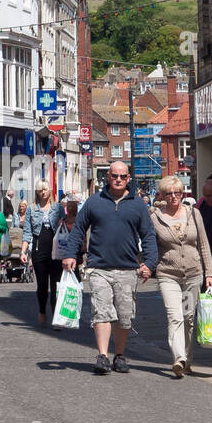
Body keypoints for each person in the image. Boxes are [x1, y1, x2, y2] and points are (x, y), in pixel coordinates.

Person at [58, 161, 158, 375]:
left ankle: (119, 355)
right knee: (101, 311)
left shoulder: (138, 204)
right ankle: (102, 355)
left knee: (124, 315)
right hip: (99, 267)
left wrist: (149, 263)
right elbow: (78, 230)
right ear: (108, 177)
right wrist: (69, 254)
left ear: (128, 178)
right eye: (114, 176)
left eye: (122, 176)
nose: (118, 180)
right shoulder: (95, 201)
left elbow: (148, 235)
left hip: (128, 268)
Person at [151, 175, 212, 378]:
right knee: (175, 316)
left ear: (182, 193)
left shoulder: (193, 214)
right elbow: (149, 247)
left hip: (193, 276)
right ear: (162, 195)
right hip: (167, 274)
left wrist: (210, 274)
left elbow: (204, 245)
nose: (173, 197)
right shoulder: (155, 218)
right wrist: (145, 265)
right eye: (169, 193)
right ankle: (178, 358)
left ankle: (187, 359)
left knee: (189, 318)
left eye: (177, 193)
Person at [21, 182, 64, 325]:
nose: (43, 192)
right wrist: (23, 251)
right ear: (37, 192)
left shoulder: (57, 207)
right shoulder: (31, 209)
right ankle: (42, 310)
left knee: (56, 285)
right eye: (40, 190)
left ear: (50, 190)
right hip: (39, 249)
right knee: (42, 285)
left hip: (56, 249)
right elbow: (27, 232)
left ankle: (56, 317)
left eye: (45, 189)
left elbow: (65, 228)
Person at [50, 198, 84, 328]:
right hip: (62, 256)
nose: (69, 209)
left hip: (73, 255)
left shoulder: (78, 221)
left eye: (71, 207)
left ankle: (71, 310)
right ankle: (61, 312)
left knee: (73, 283)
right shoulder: (62, 221)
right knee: (62, 283)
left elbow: (83, 238)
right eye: (68, 207)